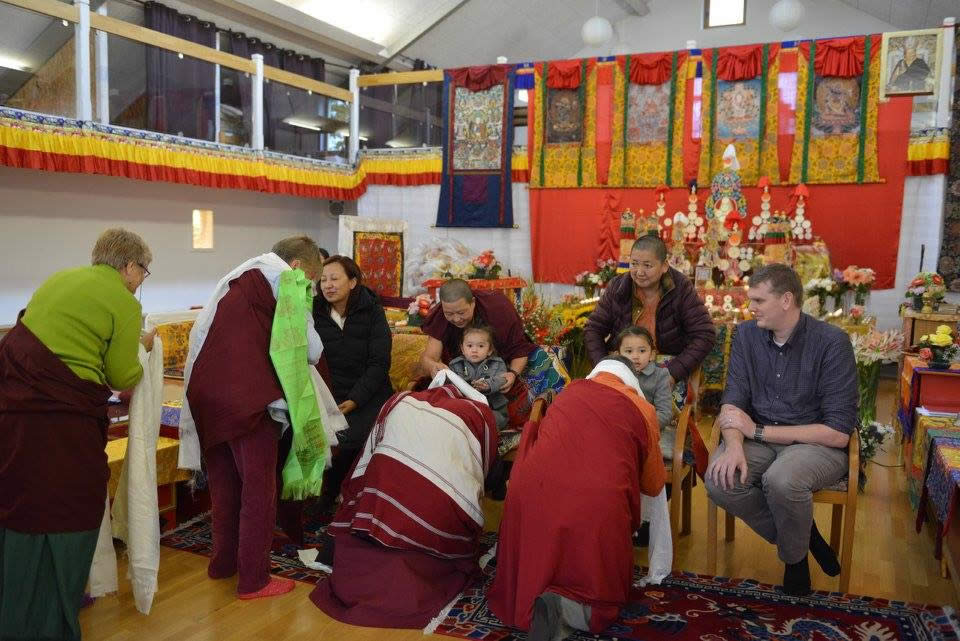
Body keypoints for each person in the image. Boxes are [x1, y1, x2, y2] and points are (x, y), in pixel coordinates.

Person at [0, 228, 154, 641]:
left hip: (14, 416)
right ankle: (52, 623)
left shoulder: (59, 278)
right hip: (63, 429)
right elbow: (122, 375)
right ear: (127, 266)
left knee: (20, 507)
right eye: (143, 271)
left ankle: (14, 616)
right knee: (74, 507)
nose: (141, 280)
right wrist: (147, 350)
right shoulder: (123, 304)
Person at [179, 235, 327, 601]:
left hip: (204, 393)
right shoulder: (287, 280)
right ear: (297, 267)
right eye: (312, 280)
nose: (310, 289)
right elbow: (312, 349)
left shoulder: (237, 275)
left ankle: (223, 563)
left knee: (225, 484)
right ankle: (254, 579)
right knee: (259, 490)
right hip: (248, 399)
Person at [704, 264, 858, 596]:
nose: (750, 307)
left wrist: (756, 431)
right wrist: (732, 446)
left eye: (759, 300)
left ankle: (794, 560)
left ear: (786, 299)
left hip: (815, 444)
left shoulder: (832, 343)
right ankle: (804, 535)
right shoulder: (746, 335)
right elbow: (733, 401)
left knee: (782, 481)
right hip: (759, 437)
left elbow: (837, 433)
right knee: (720, 478)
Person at [489, 356, 666, 640]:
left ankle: (532, 595)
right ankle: (568, 609)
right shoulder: (641, 407)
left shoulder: (567, 393)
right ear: (630, 378)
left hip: (532, 489)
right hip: (595, 502)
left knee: (542, 551)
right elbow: (654, 483)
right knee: (599, 580)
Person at [310, 371, 498, 629]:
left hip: (379, 503)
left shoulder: (400, 401)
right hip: (431, 517)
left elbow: (371, 453)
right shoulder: (476, 415)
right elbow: (478, 470)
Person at [312, 255, 393, 512]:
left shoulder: (371, 310)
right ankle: (321, 494)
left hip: (369, 393)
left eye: (335, 278)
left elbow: (379, 363)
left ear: (353, 281)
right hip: (329, 393)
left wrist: (356, 399)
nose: (328, 285)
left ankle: (339, 493)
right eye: (323, 280)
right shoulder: (313, 311)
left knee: (348, 437)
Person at [584, 235, 716, 385]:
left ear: (664, 266)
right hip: (622, 367)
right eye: (634, 264)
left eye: (647, 265)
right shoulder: (618, 286)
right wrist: (604, 367)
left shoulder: (681, 288)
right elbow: (593, 329)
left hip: (665, 369)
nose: (639, 272)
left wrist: (673, 372)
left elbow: (705, 334)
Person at [420, 279, 535, 393]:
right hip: (463, 377)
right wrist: (432, 366)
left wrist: (513, 374)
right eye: (449, 314)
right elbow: (428, 358)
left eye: (461, 313)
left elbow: (519, 348)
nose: (456, 319)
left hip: (500, 372)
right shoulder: (440, 315)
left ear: (473, 302)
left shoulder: (498, 306)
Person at [448, 324, 509, 429]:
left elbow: (502, 379)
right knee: (456, 417)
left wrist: (488, 385)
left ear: (489, 350)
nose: (474, 350)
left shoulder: (497, 363)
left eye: (480, 346)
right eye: (469, 346)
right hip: (464, 406)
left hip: (491, 407)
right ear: (462, 349)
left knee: (494, 420)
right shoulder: (456, 365)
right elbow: (450, 385)